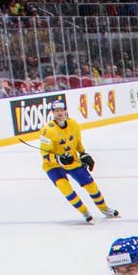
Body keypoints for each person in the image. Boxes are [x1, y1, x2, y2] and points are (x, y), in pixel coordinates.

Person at [38, 95, 118, 223]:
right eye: (56, 111)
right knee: (67, 190)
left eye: (61, 110)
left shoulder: (74, 124)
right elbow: (44, 154)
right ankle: (84, 212)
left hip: (73, 162)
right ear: (52, 113)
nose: (59, 113)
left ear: (65, 111)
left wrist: (83, 154)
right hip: (53, 166)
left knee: (91, 185)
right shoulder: (47, 130)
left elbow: (78, 142)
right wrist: (58, 159)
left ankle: (104, 208)